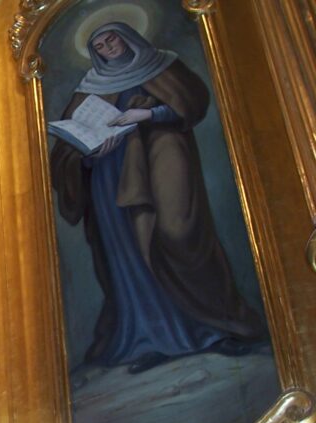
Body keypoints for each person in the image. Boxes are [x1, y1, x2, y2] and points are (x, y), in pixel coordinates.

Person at [50, 22, 264, 374]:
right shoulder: (90, 87)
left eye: (111, 39)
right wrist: (89, 153)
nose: (108, 48)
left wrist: (148, 114)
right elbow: (67, 148)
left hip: (160, 162)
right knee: (127, 253)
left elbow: (192, 104)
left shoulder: (162, 64)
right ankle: (150, 338)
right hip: (110, 177)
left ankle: (213, 327)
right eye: (99, 46)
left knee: (176, 233)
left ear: (126, 36)